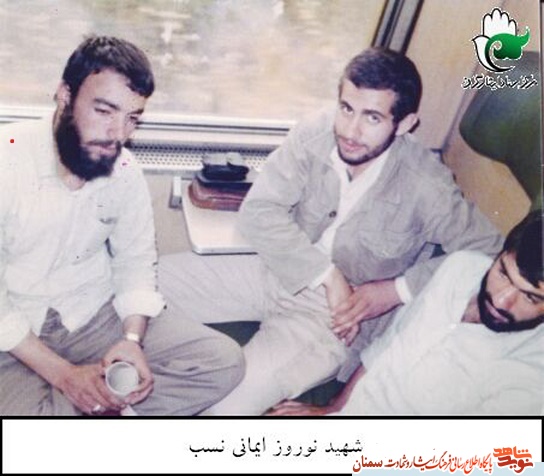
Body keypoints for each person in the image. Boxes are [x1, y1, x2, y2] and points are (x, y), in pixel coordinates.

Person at [158, 47, 503, 415]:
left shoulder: (425, 184)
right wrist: (327, 274)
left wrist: (394, 290)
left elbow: (487, 252)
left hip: (334, 319)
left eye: (372, 118)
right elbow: (258, 211)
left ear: (404, 124)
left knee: (223, 409)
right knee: (136, 287)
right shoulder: (316, 133)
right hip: (277, 268)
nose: (350, 131)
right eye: (346, 108)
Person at [0, 35, 243, 416]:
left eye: (132, 118)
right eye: (104, 111)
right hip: (15, 333)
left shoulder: (125, 170)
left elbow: (136, 263)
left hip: (94, 315)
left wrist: (131, 339)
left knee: (223, 362)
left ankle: (91, 407)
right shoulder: (7, 157)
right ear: (65, 95)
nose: (119, 134)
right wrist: (65, 376)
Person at [267, 210, 544, 415]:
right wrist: (333, 409)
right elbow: (389, 345)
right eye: (503, 273)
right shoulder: (462, 267)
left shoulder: (533, 376)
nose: (501, 300)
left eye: (530, 297)